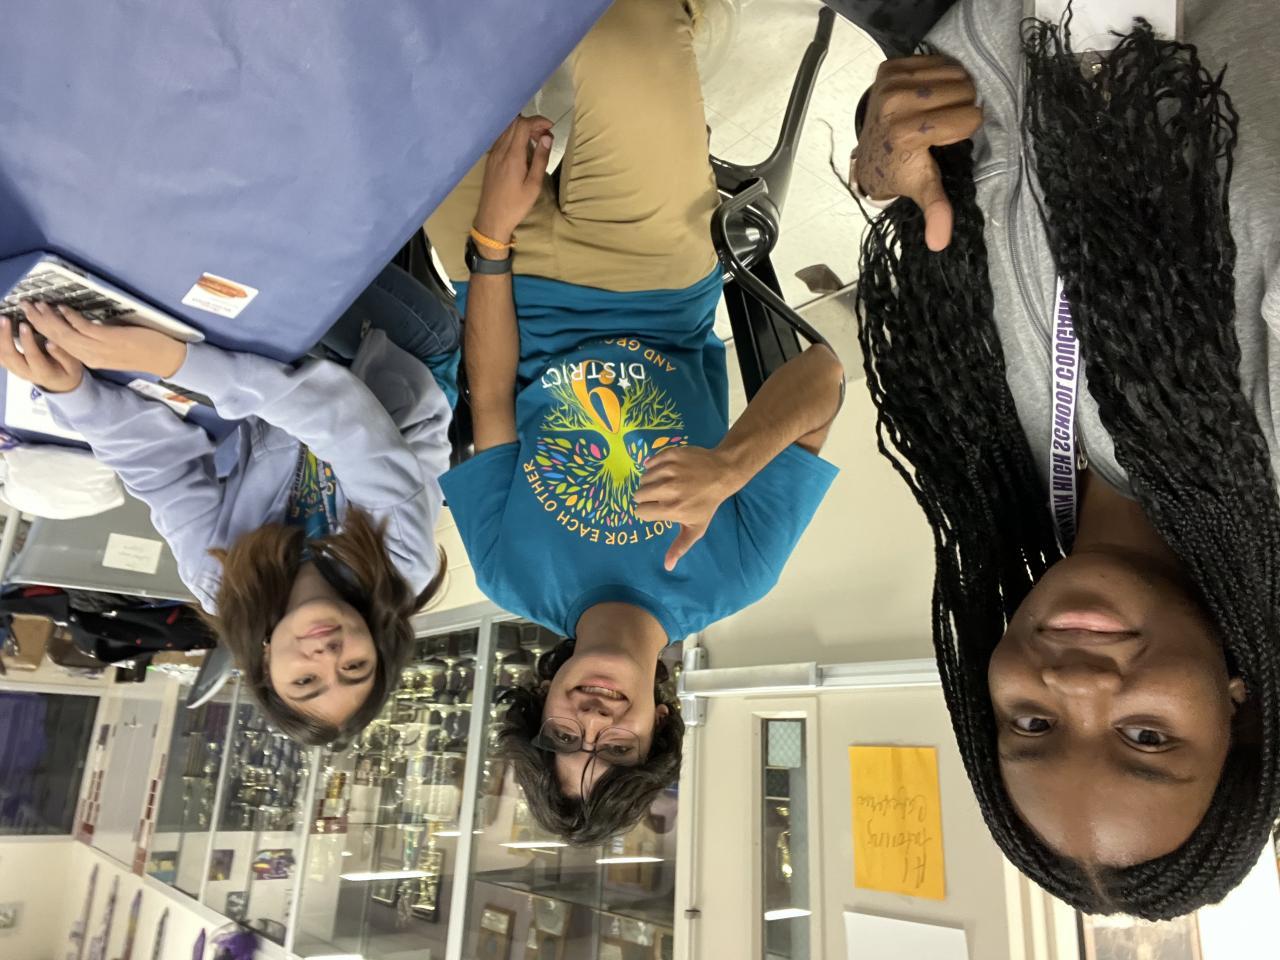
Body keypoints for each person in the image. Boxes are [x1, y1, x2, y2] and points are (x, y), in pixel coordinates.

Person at [850, 0, 1279, 919]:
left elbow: (985, 140)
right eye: (1147, 737)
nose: (1076, 686)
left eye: (1033, 723)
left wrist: (889, 153)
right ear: (1237, 704)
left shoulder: (988, 458)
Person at [430, 0, 845, 844]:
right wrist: (730, 465)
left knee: (431, 54)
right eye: (618, 748)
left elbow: (494, 395)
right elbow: (824, 376)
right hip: (652, 280)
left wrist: (492, 244)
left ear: (541, 706)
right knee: (626, 28)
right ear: (662, 722)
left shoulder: (510, 574)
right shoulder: (735, 574)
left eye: (564, 738)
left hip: (505, 282)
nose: (593, 722)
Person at [0, 262, 458, 745]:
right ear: (377, 648)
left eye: (305, 680)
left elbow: (162, 472)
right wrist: (175, 361)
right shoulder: (403, 565)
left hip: (271, 372)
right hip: (386, 358)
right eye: (355, 667)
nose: (328, 656)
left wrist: (73, 394)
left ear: (265, 666)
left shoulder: (220, 582)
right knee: (262, 266)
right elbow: (346, 422)